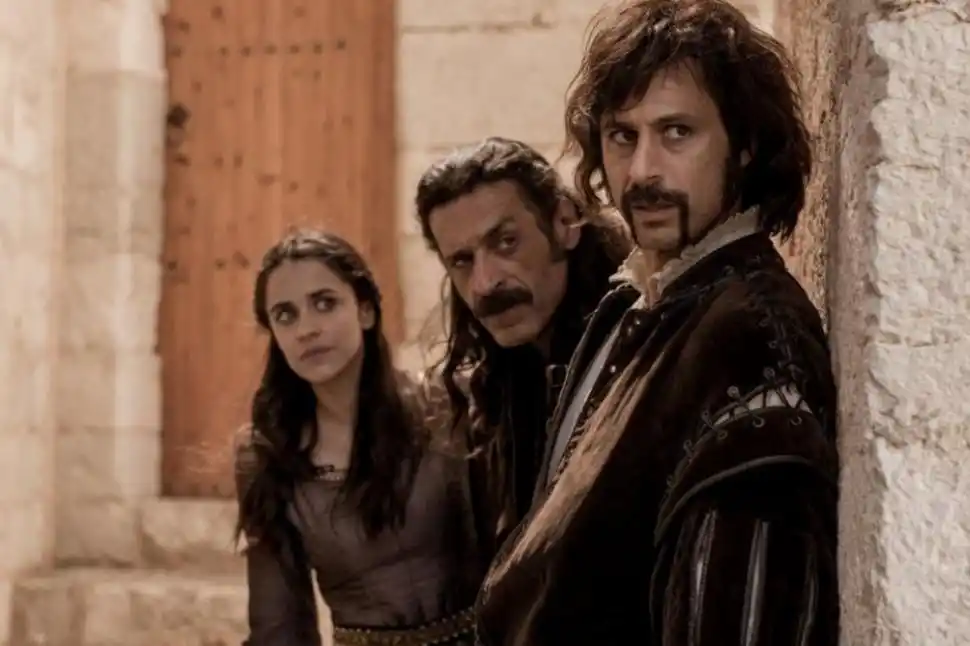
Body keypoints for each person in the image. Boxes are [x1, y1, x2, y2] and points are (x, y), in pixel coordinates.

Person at [475, 2, 840, 644]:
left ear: (745, 147)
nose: (642, 171)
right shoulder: (638, 302)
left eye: (677, 132)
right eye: (623, 136)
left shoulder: (751, 339)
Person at [233, 230, 484, 646]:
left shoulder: (449, 404)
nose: (306, 329)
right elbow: (279, 627)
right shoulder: (268, 456)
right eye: (285, 315)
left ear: (365, 310)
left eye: (324, 303)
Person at [413, 137, 632, 558]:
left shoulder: (632, 358)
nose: (485, 283)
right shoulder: (500, 384)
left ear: (564, 223)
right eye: (462, 261)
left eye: (506, 242)